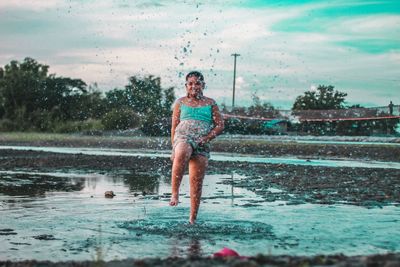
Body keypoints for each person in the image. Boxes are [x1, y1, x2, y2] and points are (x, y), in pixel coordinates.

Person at [169, 71, 224, 224]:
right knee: (182, 152)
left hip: (202, 142)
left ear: (203, 85)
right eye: (190, 83)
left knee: (196, 181)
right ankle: (175, 193)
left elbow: (220, 125)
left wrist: (207, 138)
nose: (194, 86)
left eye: (197, 83)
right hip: (183, 137)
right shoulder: (180, 102)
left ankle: (192, 219)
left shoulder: (211, 103)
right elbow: (174, 126)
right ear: (186, 86)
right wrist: (173, 147)